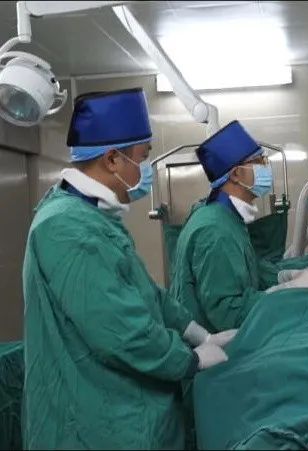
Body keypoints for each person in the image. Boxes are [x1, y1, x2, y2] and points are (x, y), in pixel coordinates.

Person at [22, 88, 234, 450]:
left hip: (124, 412)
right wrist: (188, 360)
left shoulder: (92, 216)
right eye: (143, 156)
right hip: (97, 425)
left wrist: (198, 334)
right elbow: (120, 330)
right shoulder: (67, 227)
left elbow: (145, 293)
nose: (145, 169)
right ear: (112, 159)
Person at [170, 121, 308, 333]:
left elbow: (244, 271)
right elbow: (228, 314)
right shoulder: (215, 231)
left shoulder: (224, 216)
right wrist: (289, 290)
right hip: (217, 343)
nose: (266, 167)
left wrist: (285, 276)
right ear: (236, 174)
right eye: (258, 161)